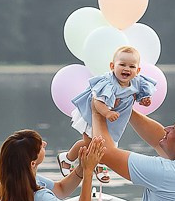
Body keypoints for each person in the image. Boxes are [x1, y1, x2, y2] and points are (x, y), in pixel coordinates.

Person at [58, 46, 156, 183]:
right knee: (89, 143)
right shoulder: (108, 83)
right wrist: (107, 112)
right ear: (112, 66)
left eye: (132, 66)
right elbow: (97, 103)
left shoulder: (138, 82)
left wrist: (144, 100)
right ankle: (67, 157)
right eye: (122, 65)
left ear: (138, 70)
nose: (126, 69)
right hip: (94, 113)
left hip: (115, 118)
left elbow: (139, 95)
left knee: (107, 143)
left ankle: (100, 164)